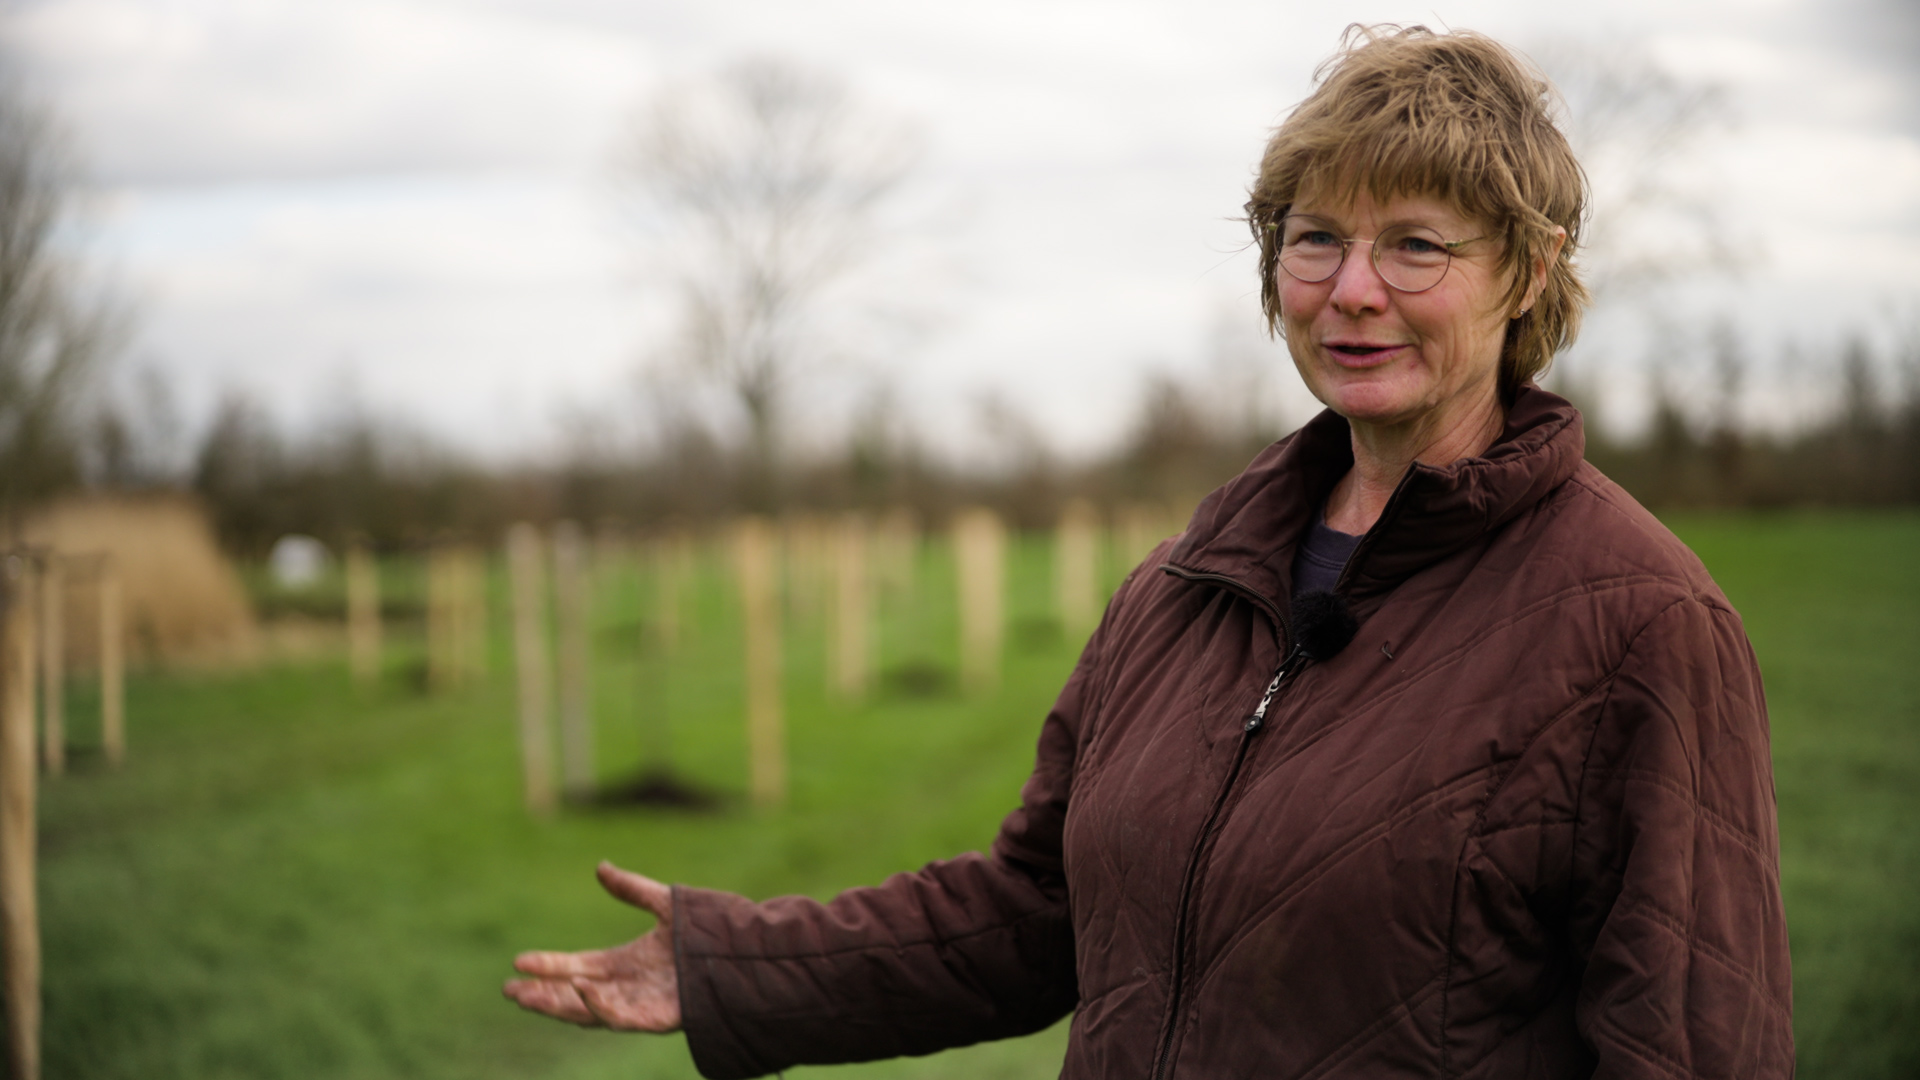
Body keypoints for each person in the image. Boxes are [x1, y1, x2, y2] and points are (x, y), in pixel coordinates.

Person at [505, 25, 1794, 1079]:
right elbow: (1039, 914)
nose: (1352, 288)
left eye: (1416, 243)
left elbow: (1690, 1043)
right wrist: (741, 966)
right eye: (1315, 237)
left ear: (1528, 270)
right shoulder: (1193, 582)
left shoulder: (1638, 625)